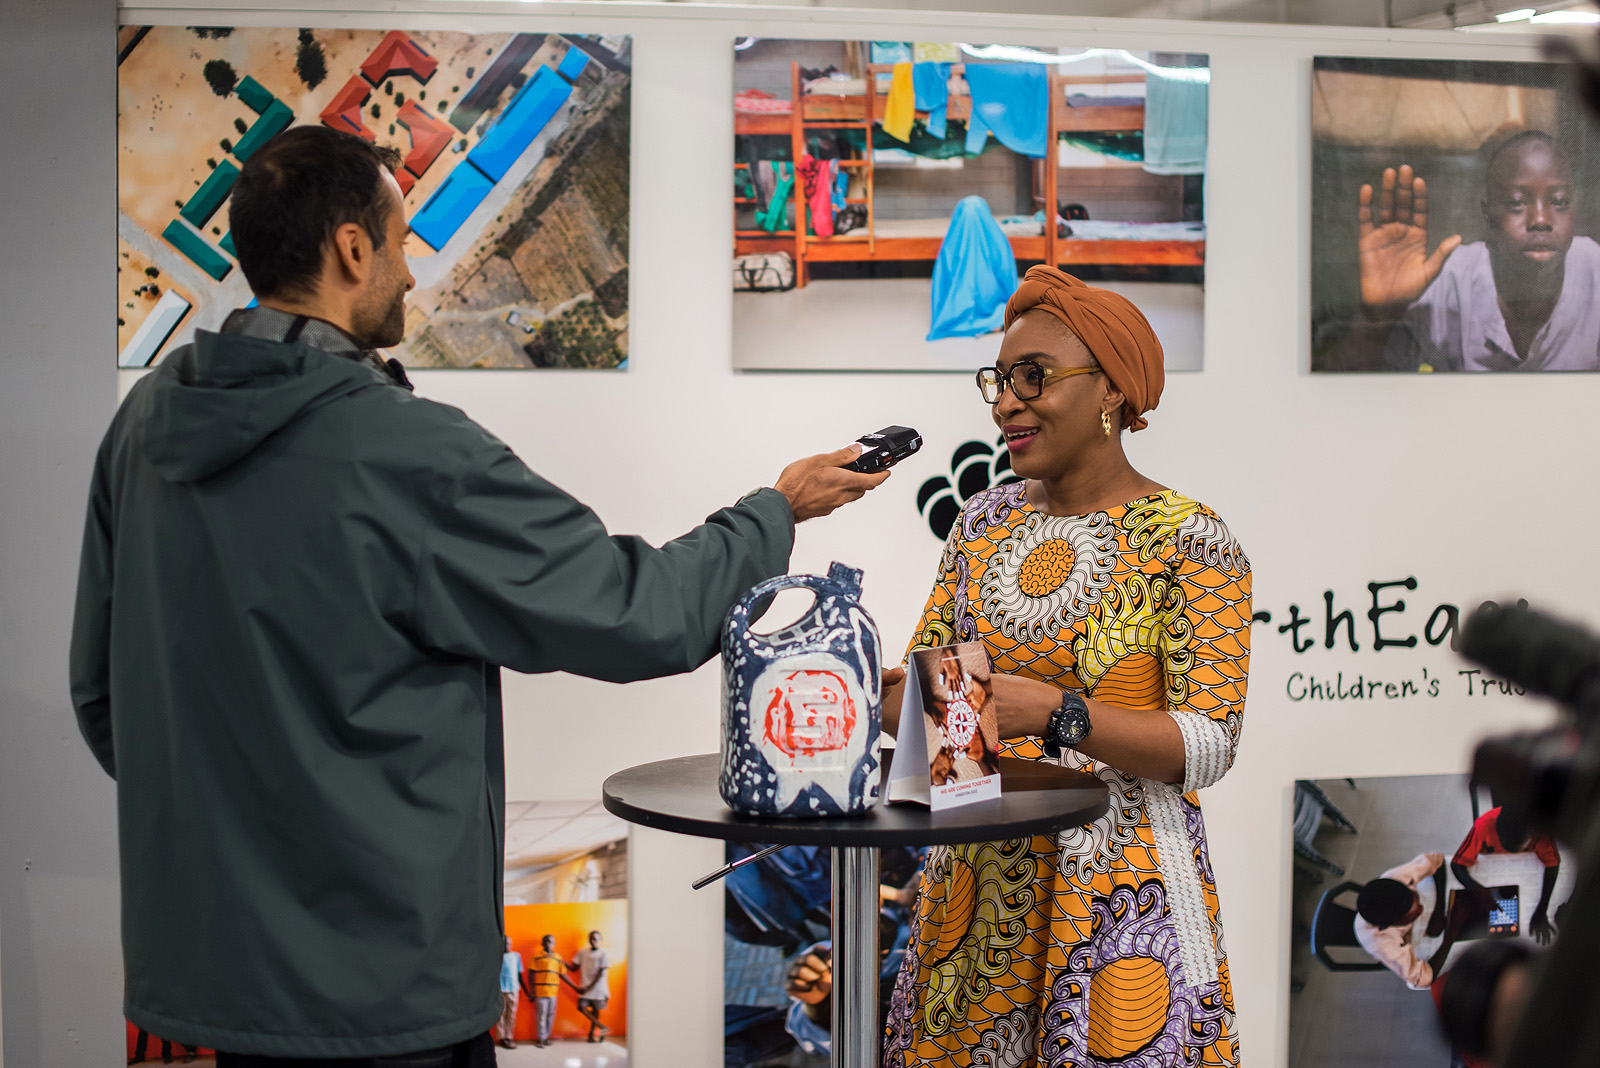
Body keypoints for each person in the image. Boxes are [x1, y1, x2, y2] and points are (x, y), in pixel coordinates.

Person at [69, 126, 888, 1066]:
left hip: (207, 983)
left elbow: (101, 697)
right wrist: (774, 512)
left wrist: (241, 832)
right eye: (403, 240)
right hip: (382, 995)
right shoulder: (404, 452)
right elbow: (640, 613)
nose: (413, 276)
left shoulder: (143, 427)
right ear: (350, 248)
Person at [879, 266, 1252, 1067]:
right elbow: (947, 719)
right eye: (1000, 380)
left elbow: (1210, 742)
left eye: (1033, 377)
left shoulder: (1188, 536)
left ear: (1113, 391)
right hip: (974, 895)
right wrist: (884, 697)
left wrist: (1056, 712)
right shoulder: (981, 520)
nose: (1005, 402)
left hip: (1119, 904)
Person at [1336, 129, 1600, 371]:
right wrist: (1376, 316)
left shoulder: (1594, 270)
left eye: (1559, 201)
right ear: (1488, 217)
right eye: (1518, 203)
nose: (1540, 220)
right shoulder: (1451, 281)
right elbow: (1351, 392)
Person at [1353, 851, 1467, 990]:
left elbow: (1437, 860)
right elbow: (1424, 979)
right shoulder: (1383, 944)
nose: (1421, 909)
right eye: (1413, 915)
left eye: (1417, 902)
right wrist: (1451, 932)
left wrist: (1439, 910)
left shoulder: (1394, 878)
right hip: (1396, 943)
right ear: (1390, 925)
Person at [1451, 805, 1562, 945]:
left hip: (1523, 872)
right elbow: (1457, 864)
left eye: (1520, 847)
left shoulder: (1541, 832)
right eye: (1507, 845)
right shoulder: (1483, 825)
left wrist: (1541, 910)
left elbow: (1553, 865)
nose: (1513, 852)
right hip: (1490, 866)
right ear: (1496, 831)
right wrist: (1476, 889)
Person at [519, 934, 566, 1047]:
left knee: (551, 1015)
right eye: (547, 941)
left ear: (554, 944)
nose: (550, 944)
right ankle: (541, 1038)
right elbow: (531, 974)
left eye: (552, 942)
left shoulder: (558, 957)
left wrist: (576, 987)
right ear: (542, 943)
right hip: (540, 991)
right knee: (541, 1015)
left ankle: (546, 1038)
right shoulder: (537, 956)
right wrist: (532, 991)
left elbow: (562, 974)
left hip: (553, 992)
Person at [570, 930, 611, 1043]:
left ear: (600, 940)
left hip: (598, 987)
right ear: (589, 939)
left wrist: (589, 987)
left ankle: (591, 1035)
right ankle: (603, 1027)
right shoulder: (582, 952)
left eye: (596, 939)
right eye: (591, 938)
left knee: (595, 1012)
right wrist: (559, 962)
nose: (593, 940)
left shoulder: (604, 953)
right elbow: (574, 967)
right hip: (585, 985)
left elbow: (601, 972)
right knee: (581, 1007)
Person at [495, 937, 523, 1050]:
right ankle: (502, 1038)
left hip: (513, 989)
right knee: (500, 1015)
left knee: (511, 1014)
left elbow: (519, 974)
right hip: (500, 989)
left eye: (509, 943)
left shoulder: (516, 956)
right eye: (505, 943)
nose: (508, 945)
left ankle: (509, 1036)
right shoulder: (496, 956)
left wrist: (527, 991)